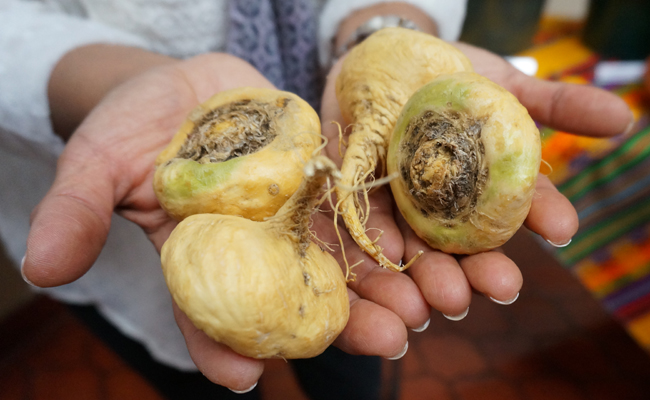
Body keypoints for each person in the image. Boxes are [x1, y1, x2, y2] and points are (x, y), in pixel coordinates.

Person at [0, 0, 633, 398]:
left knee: (354, 364)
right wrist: (102, 78)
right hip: (126, 205)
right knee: (199, 368)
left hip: (327, 124)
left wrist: (380, 25)